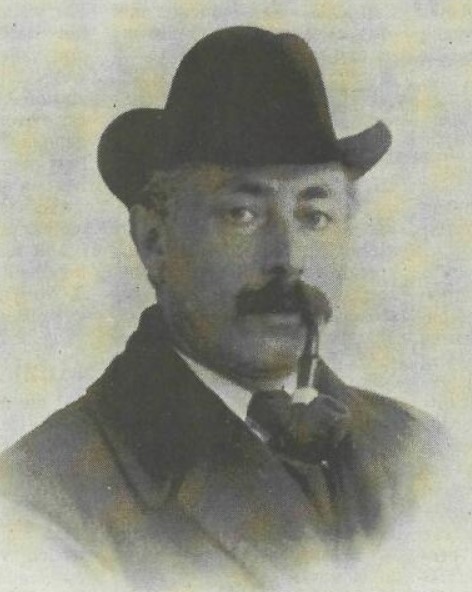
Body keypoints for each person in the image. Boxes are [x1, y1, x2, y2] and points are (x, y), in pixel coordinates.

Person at [0, 26, 442, 591]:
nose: (289, 260)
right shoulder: (41, 505)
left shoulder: (425, 451)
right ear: (154, 239)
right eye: (242, 214)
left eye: (315, 216)